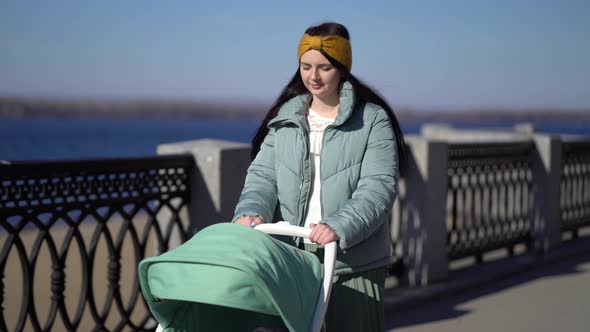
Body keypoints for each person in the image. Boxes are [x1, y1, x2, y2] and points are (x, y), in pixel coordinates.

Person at [233, 21, 406, 332]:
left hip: (352, 263)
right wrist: (251, 212)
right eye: (305, 66)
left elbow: (378, 188)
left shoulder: (372, 120)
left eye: (324, 67)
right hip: (290, 261)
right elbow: (262, 177)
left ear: (341, 68)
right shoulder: (286, 118)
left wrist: (338, 225)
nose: (313, 76)